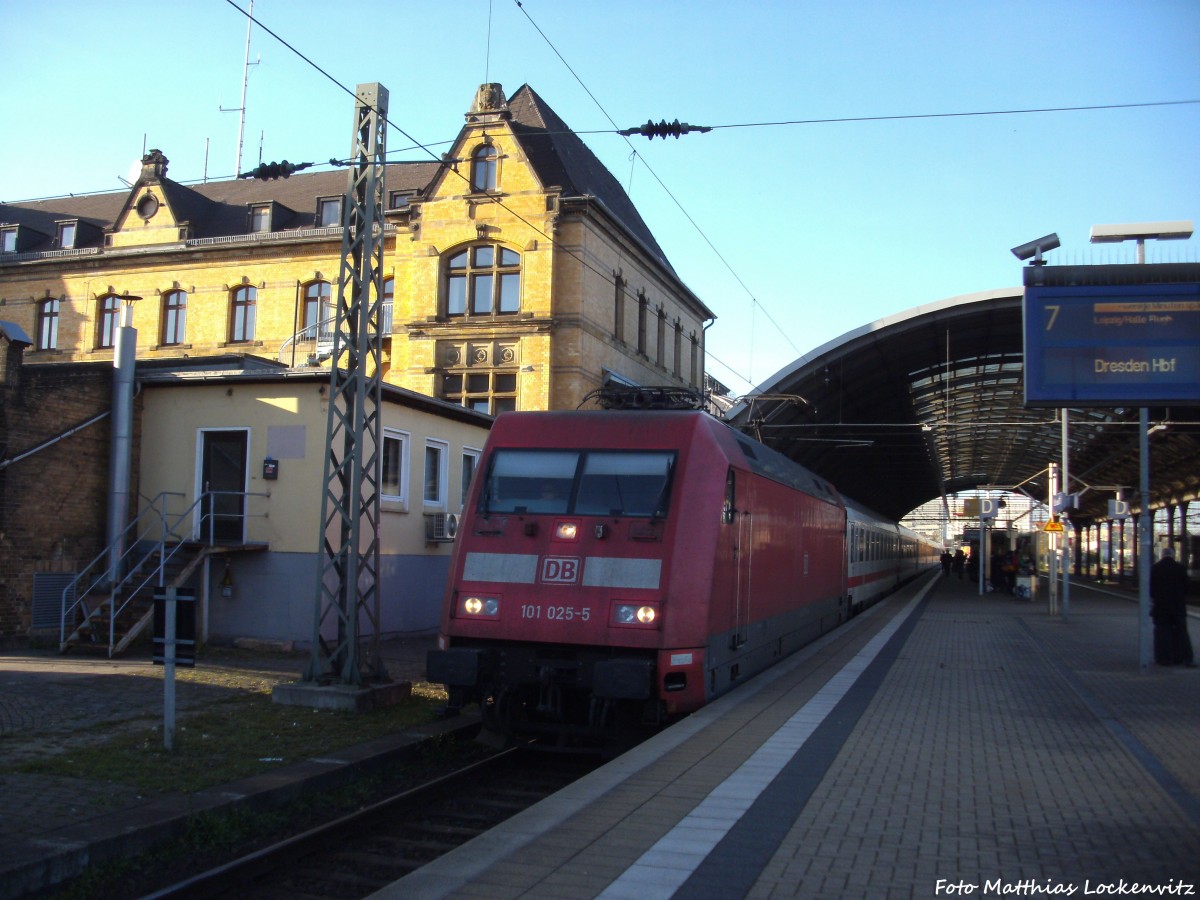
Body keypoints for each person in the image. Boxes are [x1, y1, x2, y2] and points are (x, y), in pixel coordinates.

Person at [1150, 547, 1195, 667]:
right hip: (1178, 607)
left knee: (1162, 633)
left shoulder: (1155, 568)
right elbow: (1187, 588)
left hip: (1161, 607)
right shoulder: (1180, 568)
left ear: (1162, 555)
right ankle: (1186, 658)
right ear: (1173, 555)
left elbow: (1151, 590)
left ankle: (1164, 658)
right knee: (1182, 633)